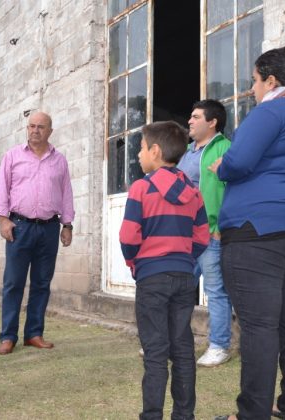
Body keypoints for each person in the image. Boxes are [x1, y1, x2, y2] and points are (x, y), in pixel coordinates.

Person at [211, 40, 285, 420]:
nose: (251, 89)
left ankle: (252, 414)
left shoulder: (269, 111)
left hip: (258, 230)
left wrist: (221, 167)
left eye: (255, 81)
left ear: (271, 80)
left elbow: (239, 161)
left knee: (259, 327)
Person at [120, 121, 209, 420]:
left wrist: (135, 263)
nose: (138, 155)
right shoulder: (193, 191)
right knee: (183, 349)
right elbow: (201, 238)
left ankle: (152, 415)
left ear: (155, 151)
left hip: (152, 278)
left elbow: (129, 237)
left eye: (141, 149)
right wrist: (184, 260)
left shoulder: (141, 188)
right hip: (184, 278)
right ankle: (184, 416)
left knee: (156, 352)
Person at [0, 111, 74, 355]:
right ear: (27, 129)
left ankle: (34, 334)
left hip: (49, 228)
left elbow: (66, 193)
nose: (35, 131)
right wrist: (3, 220)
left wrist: (67, 225)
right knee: (13, 283)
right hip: (20, 227)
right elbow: (1, 189)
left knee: (41, 283)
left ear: (50, 130)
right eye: (31, 126)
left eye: (41, 127)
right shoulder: (12, 156)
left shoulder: (59, 161)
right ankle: (8, 336)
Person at [176, 99, 233, 367]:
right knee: (179, 289)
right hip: (186, 235)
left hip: (211, 235)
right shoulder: (187, 153)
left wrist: (220, 227)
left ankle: (219, 345)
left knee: (216, 292)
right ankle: (172, 340)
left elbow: (233, 191)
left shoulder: (226, 149)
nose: (190, 120)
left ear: (212, 122)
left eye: (196, 116)